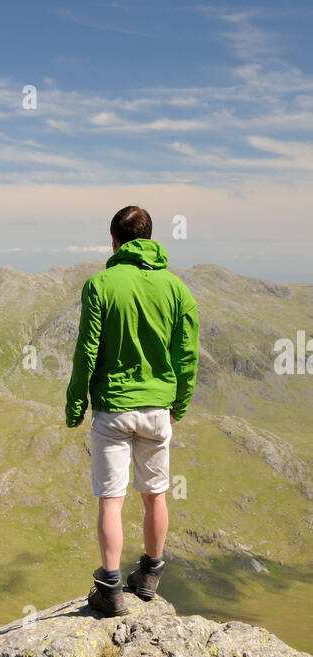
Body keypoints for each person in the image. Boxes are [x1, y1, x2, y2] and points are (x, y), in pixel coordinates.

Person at [65, 205, 199, 616]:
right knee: (155, 495)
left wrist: (75, 404)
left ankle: (110, 588)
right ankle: (150, 574)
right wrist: (180, 402)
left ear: (114, 240)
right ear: (151, 238)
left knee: (111, 499)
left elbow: (87, 350)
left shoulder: (101, 285)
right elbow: (187, 352)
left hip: (113, 411)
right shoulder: (177, 289)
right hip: (158, 408)